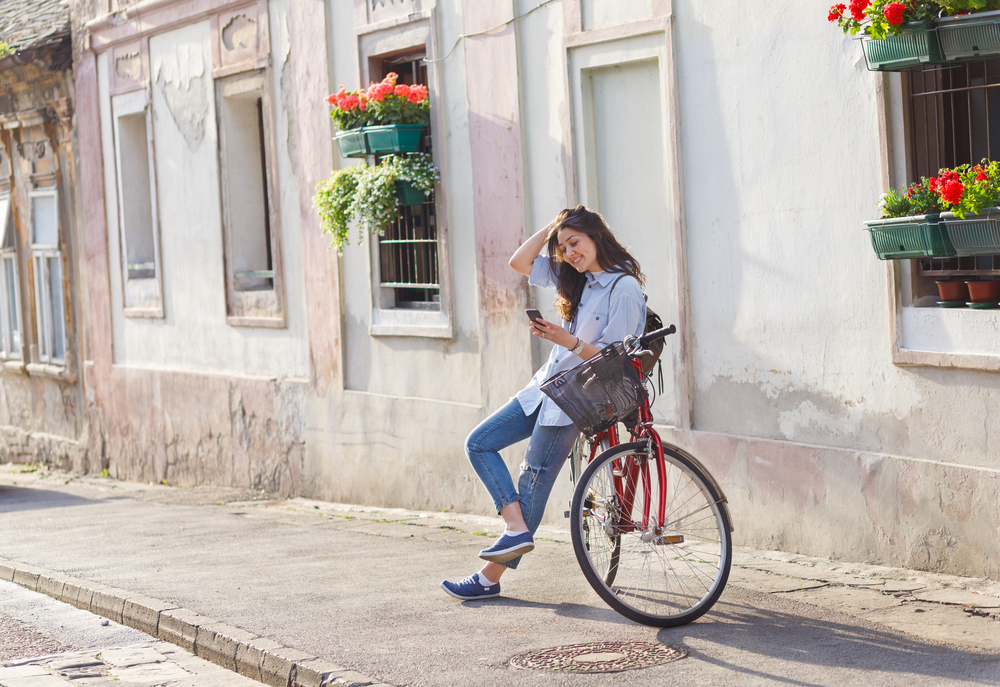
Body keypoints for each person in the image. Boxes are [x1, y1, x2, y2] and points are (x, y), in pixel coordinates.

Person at [441, 205, 647, 600]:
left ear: (596, 236)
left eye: (576, 242)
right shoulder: (580, 279)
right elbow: (519, 261)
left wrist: (565, 339)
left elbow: (615, 357)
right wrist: (553, 227)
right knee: (479, 443)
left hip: (578, 395)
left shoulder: (624, 288)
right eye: (563, 246)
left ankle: (488, 578)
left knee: (533, 482)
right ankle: (515, 529)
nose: (569, 252)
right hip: (543, 388)